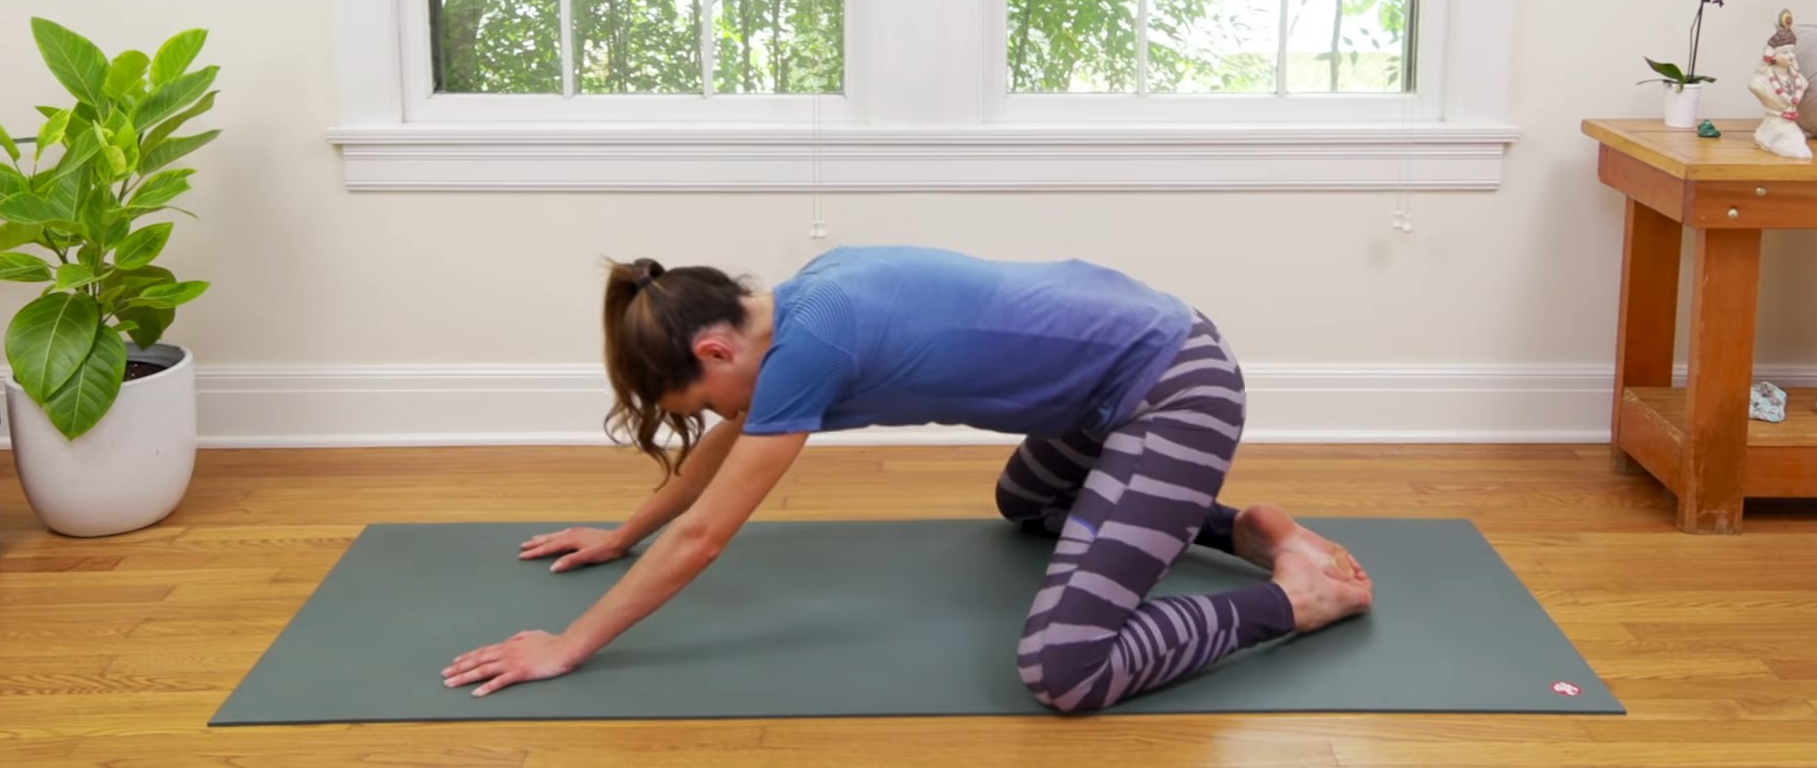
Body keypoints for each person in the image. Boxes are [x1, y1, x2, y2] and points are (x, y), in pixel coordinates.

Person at [442, 245, 1374, 711]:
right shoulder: (801, 300)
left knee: (1067, 670)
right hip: (1111, 388)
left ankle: (1298, 597)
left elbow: (708, 535)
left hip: (1173, 389)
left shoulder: (812, 345)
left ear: (716, 349)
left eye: (704, 398)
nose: (719, 417)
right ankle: (1235, 529)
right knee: (1027, 501)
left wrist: (570, 645)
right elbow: (734, 444)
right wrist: (622, 533)